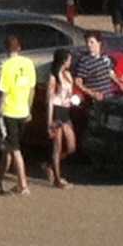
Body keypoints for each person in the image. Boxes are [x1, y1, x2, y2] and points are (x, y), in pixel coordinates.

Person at [0, 34, 35, 196]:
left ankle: (23, 183)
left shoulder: (6, 66)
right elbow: (31, 89)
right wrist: (29, 108)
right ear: (19, 48)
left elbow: (4, 92)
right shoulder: (28, 64)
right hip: (23, 110)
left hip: (10, 111)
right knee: (8, 148)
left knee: (14, 149)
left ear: (6, 49)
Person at [44, 49, 76, 189]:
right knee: (57, 147)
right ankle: (57, 178)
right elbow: (49, 100)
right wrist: (49, 121)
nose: (70, 62)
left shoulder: (68, 75)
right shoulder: (53, 77)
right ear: (63, 60)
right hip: (57, 111)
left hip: (66, 111)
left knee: (71, 146)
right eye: (69, 59)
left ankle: (49, 165)